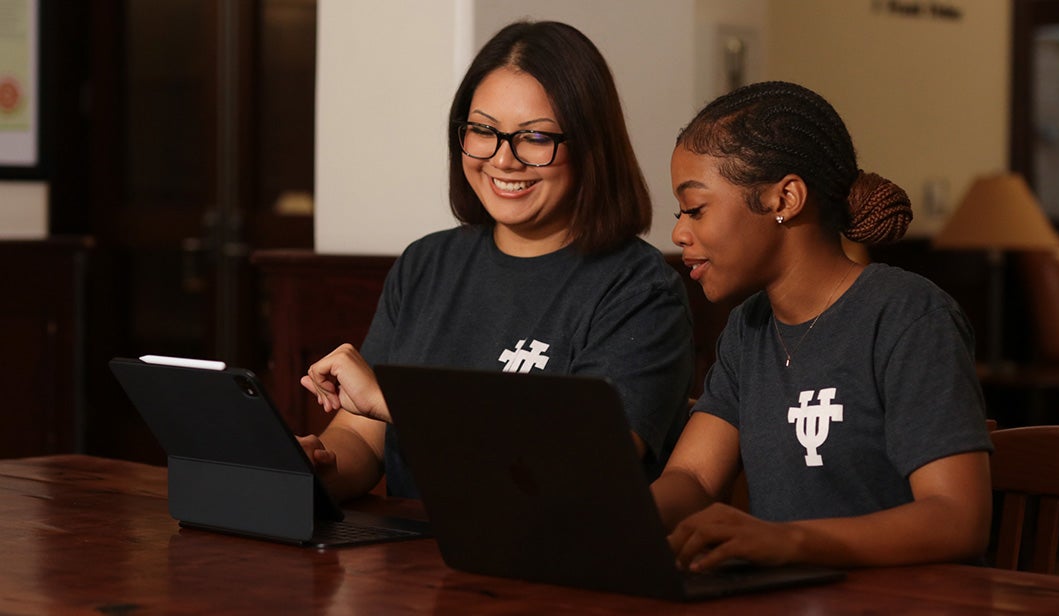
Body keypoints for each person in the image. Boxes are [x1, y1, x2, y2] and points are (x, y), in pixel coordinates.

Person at [297, 20, 694, 501]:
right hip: (412, 558)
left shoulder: (639, 290)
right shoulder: (427, 263)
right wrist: (317, 468)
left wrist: (395, 403)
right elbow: (364, 435)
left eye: (535, 137)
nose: (504, 160)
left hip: (546, 562)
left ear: (591, 146)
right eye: (484, 130)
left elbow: (584, 462)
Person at [652, 81, 993, 572]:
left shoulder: (908, 315)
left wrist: (788, 541)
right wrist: (615, 518)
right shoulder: (747, 330)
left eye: (696, 209)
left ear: (784, 199)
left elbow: (958, 518)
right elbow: (695, 478)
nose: (679, 233)